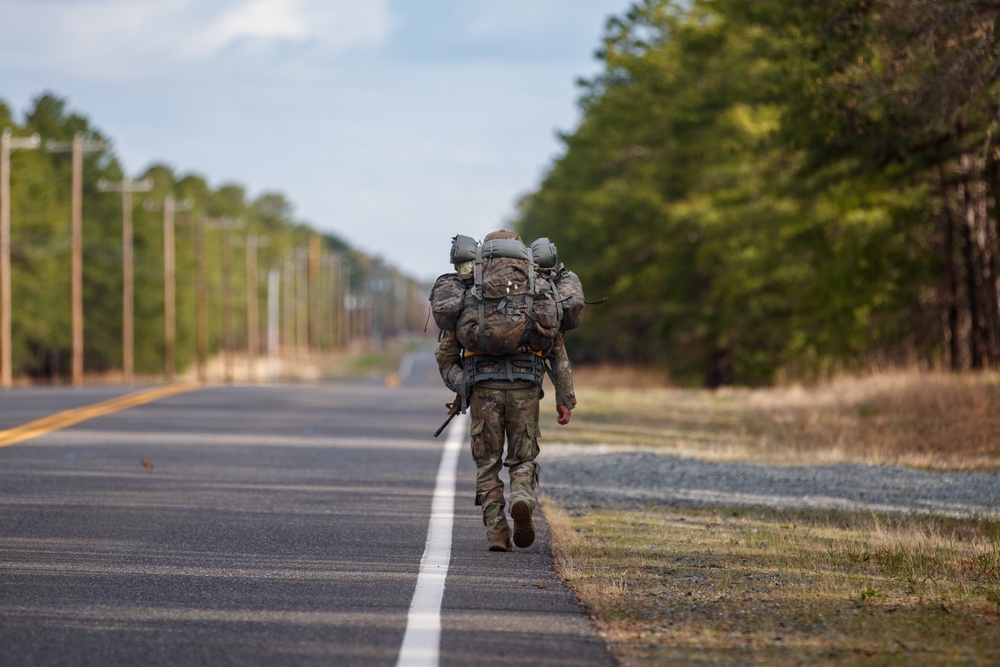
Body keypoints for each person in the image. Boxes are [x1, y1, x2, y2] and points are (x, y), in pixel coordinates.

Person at [434, 230, 577, 552]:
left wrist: (464, 385)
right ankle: (523, 496)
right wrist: (565, 398)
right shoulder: (539, 286)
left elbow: (445, 354)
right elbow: (557, 350)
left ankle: (497, 532)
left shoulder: (469, 290)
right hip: (526, 386)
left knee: (488, 464)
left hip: (484, 388)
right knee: (523, 457)